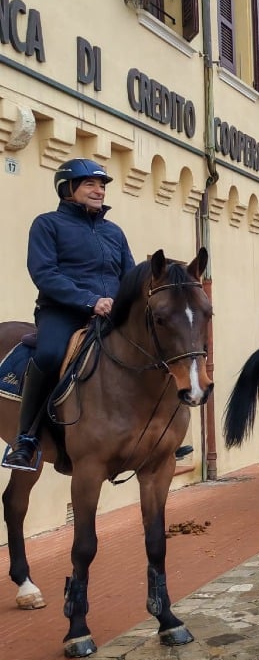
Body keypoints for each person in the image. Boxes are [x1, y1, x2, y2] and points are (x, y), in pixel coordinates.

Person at [3, 159, 137, 471]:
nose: (99, 190)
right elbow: (45, 273)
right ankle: (27, 439)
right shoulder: (47, 225)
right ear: (68, 189)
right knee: (49, 355)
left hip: (111, 313)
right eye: (90, 184)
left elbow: (129, 275)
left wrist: (127, 303)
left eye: (102, 185)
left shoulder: (114, 232)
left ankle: (155, 434)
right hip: (62, 312)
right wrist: (91, 301)